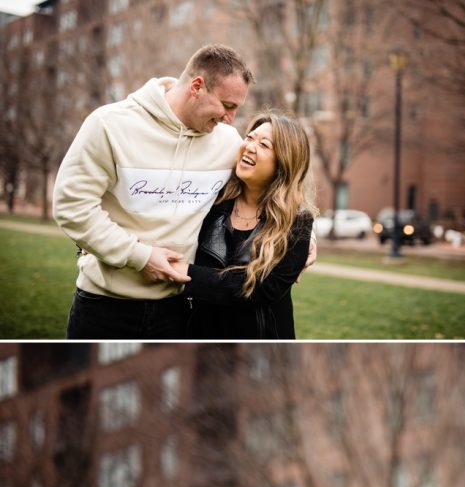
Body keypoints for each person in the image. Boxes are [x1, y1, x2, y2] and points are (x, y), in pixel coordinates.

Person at [53, 45, 253, 339]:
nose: (230, 118)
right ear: (197, 86)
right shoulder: (109, 124)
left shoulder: (226, 142)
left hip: (181, 309)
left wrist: (302, 234)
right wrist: (140, 256)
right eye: (227, 105)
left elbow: (269, 188)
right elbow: (71, 206)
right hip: (103, 308)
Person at [184, 110, 316, 338]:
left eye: (264, 145)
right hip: (201, 338)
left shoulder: (298, 224)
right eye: (250, 137)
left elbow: (260, 288)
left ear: (284, 162)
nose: (250, 147)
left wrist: (186, 274)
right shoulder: (212, 202)